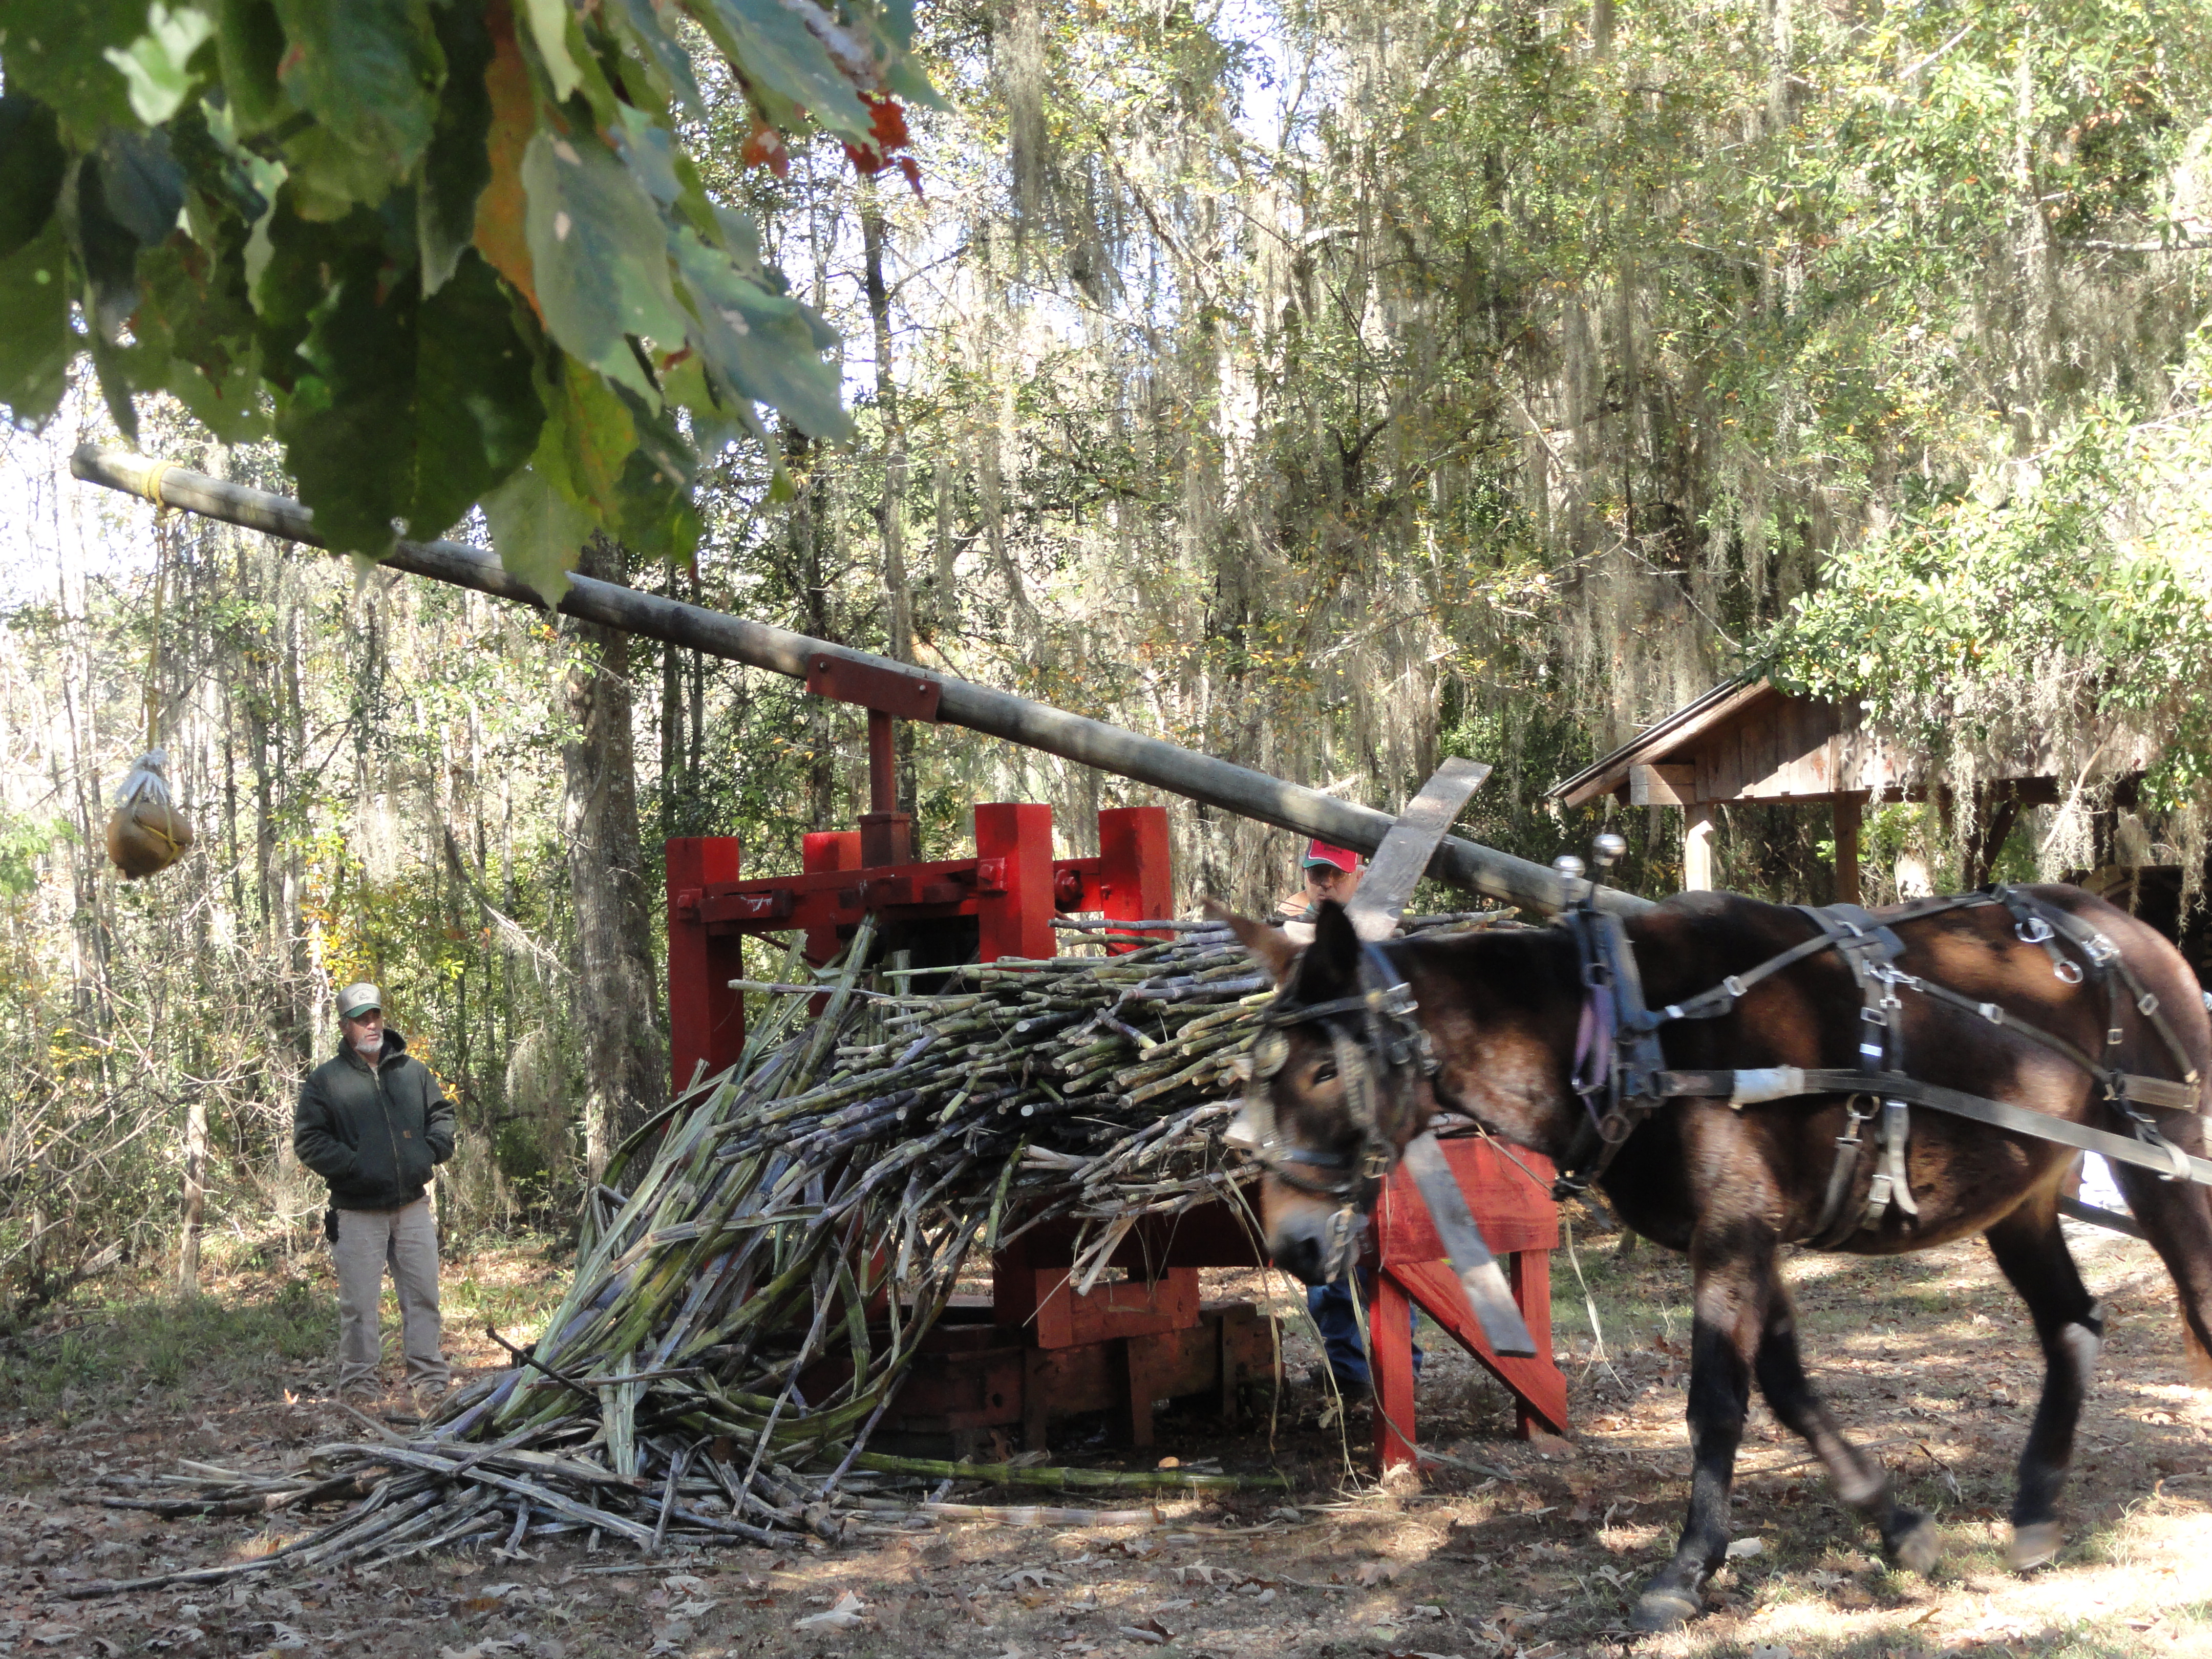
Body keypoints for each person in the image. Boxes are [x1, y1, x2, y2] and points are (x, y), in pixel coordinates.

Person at [1271, 841, 1421, 1400]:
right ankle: (1352, 1377)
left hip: (1370, 1132)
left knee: (1382, 1264)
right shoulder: (1291, 933)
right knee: (1325, 1270)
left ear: (1360, 876)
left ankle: (1400, 1376)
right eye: (1316, 874)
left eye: (1335, 874)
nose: (1324, 883)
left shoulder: (1386, 942)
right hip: (1316, 1134)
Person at [293, 983, 456, 1404]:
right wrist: (355, 1166)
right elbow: (309, 1141)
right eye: (361, 1018)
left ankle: (429, 1380)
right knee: (360, 1308)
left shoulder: (413, 1073)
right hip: (356, 1212)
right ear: (345, 1026)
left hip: (412, 1206)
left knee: (423, 1298)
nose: (371, 1024)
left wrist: (429, 1152)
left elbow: (442, 1116)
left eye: (375, 1016)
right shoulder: (325, 1082)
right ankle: (360, 1386)